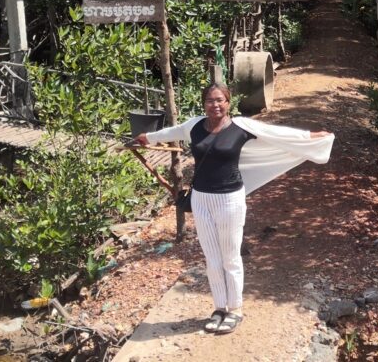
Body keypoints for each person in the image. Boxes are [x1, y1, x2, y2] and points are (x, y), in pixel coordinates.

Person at [135, 82, 333, 334]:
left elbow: (276, 133)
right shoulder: (194, 126)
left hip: (229, 199)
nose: (215, 105)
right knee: (212, 257)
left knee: (230, 257)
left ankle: (235, 310)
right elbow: (171, 132)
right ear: (204, 102)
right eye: (210, 100)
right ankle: (219, 307)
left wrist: (311, 137)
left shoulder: (241, 126)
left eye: (220, 100)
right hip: (201, 199)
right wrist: (147, 138)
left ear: (228, 103)